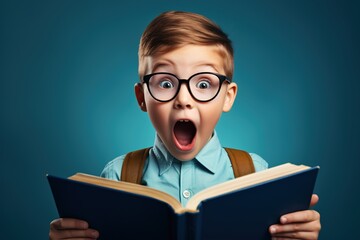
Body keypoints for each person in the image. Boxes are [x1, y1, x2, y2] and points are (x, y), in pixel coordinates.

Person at [49, 11, 321, 240]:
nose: (183, 99)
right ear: (142, 97)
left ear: (227, 97)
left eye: (203, 84)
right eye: (165, 83)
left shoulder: (256, 174)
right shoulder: (117, 176)